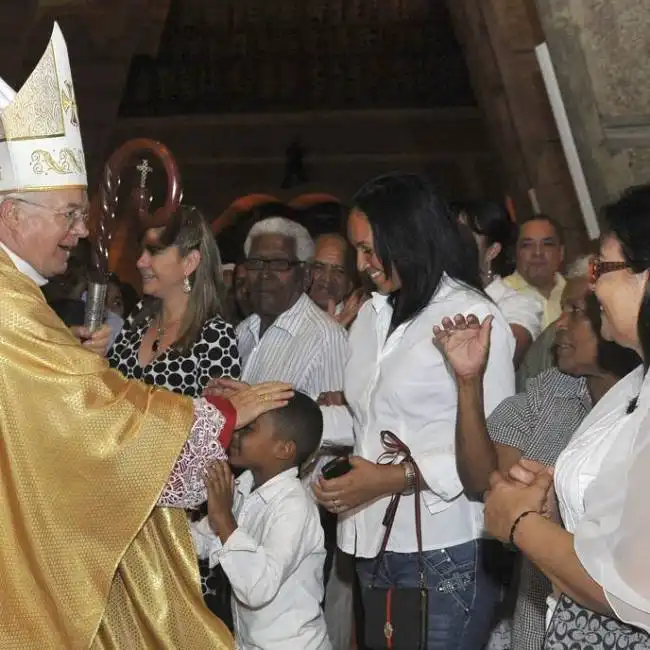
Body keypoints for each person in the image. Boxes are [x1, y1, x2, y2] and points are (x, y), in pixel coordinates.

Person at [0, 23, 292, 648]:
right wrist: (217, 412)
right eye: (69, 214)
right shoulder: (8, 302)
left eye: (81, 213)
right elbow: (87, 419)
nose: (81, 231)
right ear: (12, 215)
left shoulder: (17, 292)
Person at [313, 172, 516, 650]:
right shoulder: (372, 315)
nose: (361, 266)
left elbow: (497, 442)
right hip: (372, 541)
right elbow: (368, 422)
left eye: (367, 250)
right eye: (356, 251)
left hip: (444, 545)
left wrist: (390, 477)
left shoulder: (471, 319)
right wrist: (278, 408)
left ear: (406, 238)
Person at [433, 256, 640, 650]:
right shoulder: (552, 390)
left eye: (576, 311)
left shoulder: (639, 405)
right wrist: (468, 382)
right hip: (543, 614)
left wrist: (526, 518)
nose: (559, 324)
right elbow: (483, 480)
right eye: (562, 310)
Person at [483, 185, 650, 648]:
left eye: (603, 267)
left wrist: (520, 524)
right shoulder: (633, 385)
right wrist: (554, 502)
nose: (592, 284)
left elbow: (629, 584)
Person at [192, 392, 331, 650]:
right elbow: (199, 541)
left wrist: (224, 519)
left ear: (284, 449)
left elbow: (258, 588)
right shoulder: (244, 486)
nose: (236, 433)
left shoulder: (294, 507)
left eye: (249, 428)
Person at [108, 205, 240, 398]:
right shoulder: (140, 315)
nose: (140, 262)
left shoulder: (215, 336)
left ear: (189, 262)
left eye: (154, 251)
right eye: (142, 250)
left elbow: (217, 422)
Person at [454, 200, 543, 364]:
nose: (455, 245)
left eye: (466, 237)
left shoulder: (519, 303)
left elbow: (506, 355)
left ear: (492, 251)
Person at [504, 215, 566, 328]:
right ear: (515, 253)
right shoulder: (500, 297)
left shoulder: (577, 294)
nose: (537, 253)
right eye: (527, 245)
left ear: (561, 253)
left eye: (547, 244)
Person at [309, 232, 367, 329]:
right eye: (319, 267)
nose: (327, 279)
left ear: (350, 284)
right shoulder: (283, 312)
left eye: (338, 271)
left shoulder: (361, 324)